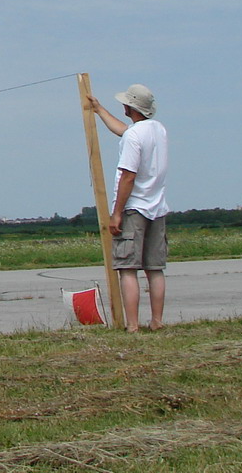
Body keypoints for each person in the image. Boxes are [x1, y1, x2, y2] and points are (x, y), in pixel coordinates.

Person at [88, 84, 169, 332]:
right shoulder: (158, 129)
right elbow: (124, 131)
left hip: (134, 208)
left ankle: (132, 326)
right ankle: (156, 322)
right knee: (155, 269)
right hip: (157, 207)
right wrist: (99, 110)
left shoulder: (134, 136)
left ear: (129, 106)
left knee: (127, 268)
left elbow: (128, 177)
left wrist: (116, 213)